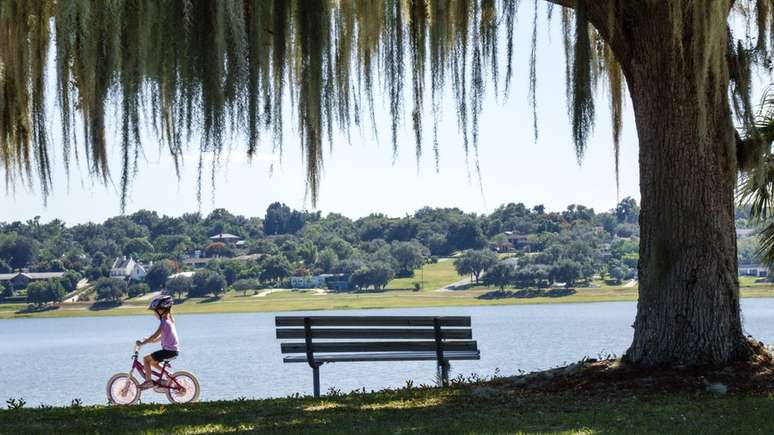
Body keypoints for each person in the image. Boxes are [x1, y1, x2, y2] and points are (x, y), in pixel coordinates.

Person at [136, 295, 180, 390]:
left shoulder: (164, 322)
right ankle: (168, 375)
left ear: (161, 310)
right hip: (172, 351)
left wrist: (142, 343)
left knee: (146, 359)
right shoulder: (168, 322)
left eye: (155, 311)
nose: (154, 314)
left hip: (168, 351)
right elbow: (157, 339)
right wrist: (149, 340)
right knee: (153, 363)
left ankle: (149, 382)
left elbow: (155, 335)